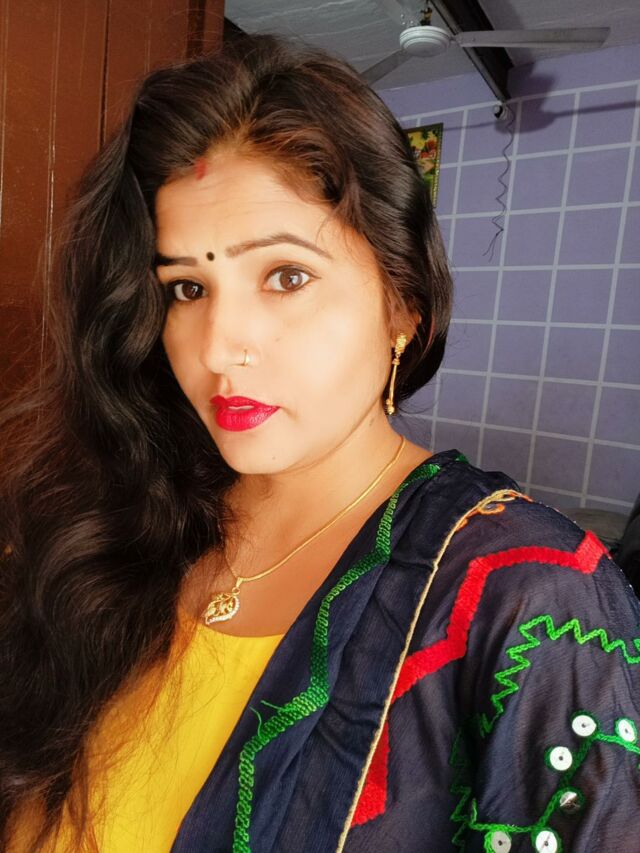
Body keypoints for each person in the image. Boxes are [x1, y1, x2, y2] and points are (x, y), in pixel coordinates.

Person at [2, 32, 639, 853]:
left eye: (286, 276)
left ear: (403, 303)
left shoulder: (531, 598)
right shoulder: (120, 520)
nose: (219, 346)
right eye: (187, 288)